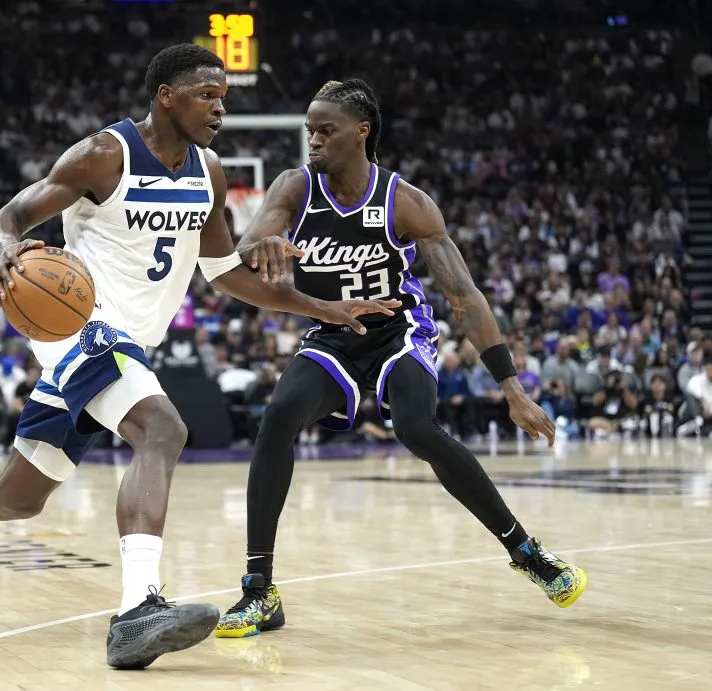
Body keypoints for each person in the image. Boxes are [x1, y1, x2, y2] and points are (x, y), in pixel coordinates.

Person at [0, 47, 394, 670]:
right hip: (77, 325)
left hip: (128, 343)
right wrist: (5, 247)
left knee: (18, 496)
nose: (220, 106)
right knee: (162, 428)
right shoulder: (104, 154)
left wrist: (320, 308)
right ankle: (138, 608)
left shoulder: (210, 171)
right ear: (165, 95)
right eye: (206, 94)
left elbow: (222, 272)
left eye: (223, 96)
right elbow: (13, 215)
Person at [213, 79, 586, 639]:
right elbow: (248, 245)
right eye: (309, 130)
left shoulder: (405, 202)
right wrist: (257, 246)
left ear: (361, 132)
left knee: (416, 427)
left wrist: (512, 389)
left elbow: (465, 298)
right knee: (276, 420)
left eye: (326, 130)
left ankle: (528, 552)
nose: (313, 140)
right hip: (333, 329)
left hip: (397, 330)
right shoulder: (295, 186)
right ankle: (258, 589)